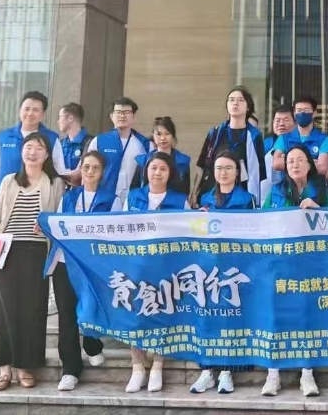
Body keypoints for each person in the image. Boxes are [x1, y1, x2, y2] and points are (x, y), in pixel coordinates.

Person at [0, 132, 65, 391]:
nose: (32, 152)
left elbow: (58, 219)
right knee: (4, 311)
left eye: (38, 148)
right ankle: (5, 368)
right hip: (5, 251)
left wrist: (46, 226)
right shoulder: (9, 181)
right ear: (22, 151)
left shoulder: (55, 183)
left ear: (46, 155)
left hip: (36, 252)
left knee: (33, 311)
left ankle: (26, 366)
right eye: (28, 147)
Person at [0, 91, 67, 328]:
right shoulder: (4, 137)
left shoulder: (52, 139)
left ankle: (43, 305)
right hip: (4, 208)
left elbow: (61, 173)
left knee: (33, 275)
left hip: (37, 207)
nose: (30, 113)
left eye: (36, 109)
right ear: (20, 110)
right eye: (27, 108)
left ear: (43, 113)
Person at [261, 145, 328, 397]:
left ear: (310, 164)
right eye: (290, 161)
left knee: (306, 317)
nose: (295, 164)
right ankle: (273, 373)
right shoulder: (276, 191)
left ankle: (307, 373)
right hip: (280, 263)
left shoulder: (321, 190)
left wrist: (318, 210)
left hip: (310, 265)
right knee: (275, 316)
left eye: (300, 160)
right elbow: (262, 222)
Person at [191, 151, 257, 395]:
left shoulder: (247, 199)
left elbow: (254, 232)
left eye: (228, 168)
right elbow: (196, 231)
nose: (223, 172)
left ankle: (227, 371)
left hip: (235, 267)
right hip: (209, 267)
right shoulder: (206, 197)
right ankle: (207, 370)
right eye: (219, 168)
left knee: (230, 318)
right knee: (207, 316)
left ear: (237, 172)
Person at [122, 152, 188, 393]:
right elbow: (121, 228)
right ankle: (137, 368)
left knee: (162, 314)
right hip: (137, 264)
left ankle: (158, 365)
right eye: (153, 168)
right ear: (146, 171)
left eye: (163, 169)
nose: (157, 173)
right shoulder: (133, 197)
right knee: (136, 315)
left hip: (166, 266)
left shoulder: (180, 201)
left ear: (170, 173)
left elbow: (188, 234)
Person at [52, 150, 111, 389]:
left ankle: (92, 343)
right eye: (86, 167)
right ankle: (70, 369)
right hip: (65, 262)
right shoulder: (69, 197)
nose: (90, 172)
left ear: (102, 172)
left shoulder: (111, 199)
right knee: (66, 314)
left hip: (93, 264)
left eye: (95, 168)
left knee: (90, 306)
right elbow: (57, 224)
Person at [191, 86, 266, 207]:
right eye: (231, 100)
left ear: (248, 107)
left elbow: (259, 172)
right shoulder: (215, 133)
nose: (235, 103)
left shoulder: (254, 136)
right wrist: (194, 192)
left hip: (241, 199)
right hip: (211, 196)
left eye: (240, 100)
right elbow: (202, 165)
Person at [81, 97, 150, 209]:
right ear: (111, 116)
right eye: (118, 112)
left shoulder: (144, 144)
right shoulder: (99, 141)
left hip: (131, 202)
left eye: (127, 112)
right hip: (102, 201)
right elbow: (86, 170)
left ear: (133, 117)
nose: (122, 116)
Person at [271, 96, 328, 177]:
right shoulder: (283, 138)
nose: (302, 113)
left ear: (314, 113)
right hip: (288, 185)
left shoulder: (324, 139)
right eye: (299, 110)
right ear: (294, 114)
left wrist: (288, 160)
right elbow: (276, 164)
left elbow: (322, 168)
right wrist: (312, 161)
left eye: (306, 110)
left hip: (314, 185)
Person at [131, 116, 191, 195]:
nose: (163, 138)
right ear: (153, 135)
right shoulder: (143, 161)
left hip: (174, 202)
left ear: (173, 135)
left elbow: (185, 190)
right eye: (158, 134)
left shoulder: (183, 161)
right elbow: (134, 188)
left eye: (167, 134)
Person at [260, 106, 296, 201]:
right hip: (266, 198)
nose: (281, 124)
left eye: (286, 120)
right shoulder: (266, 143)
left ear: (296, 123)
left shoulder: (298, 143)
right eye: (277, 120)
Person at [57, 102, 93, 173]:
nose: (58, 121)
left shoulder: (90, 142)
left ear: (70, 118)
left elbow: (83, 171)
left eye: (60, 117)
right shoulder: (61, 143)